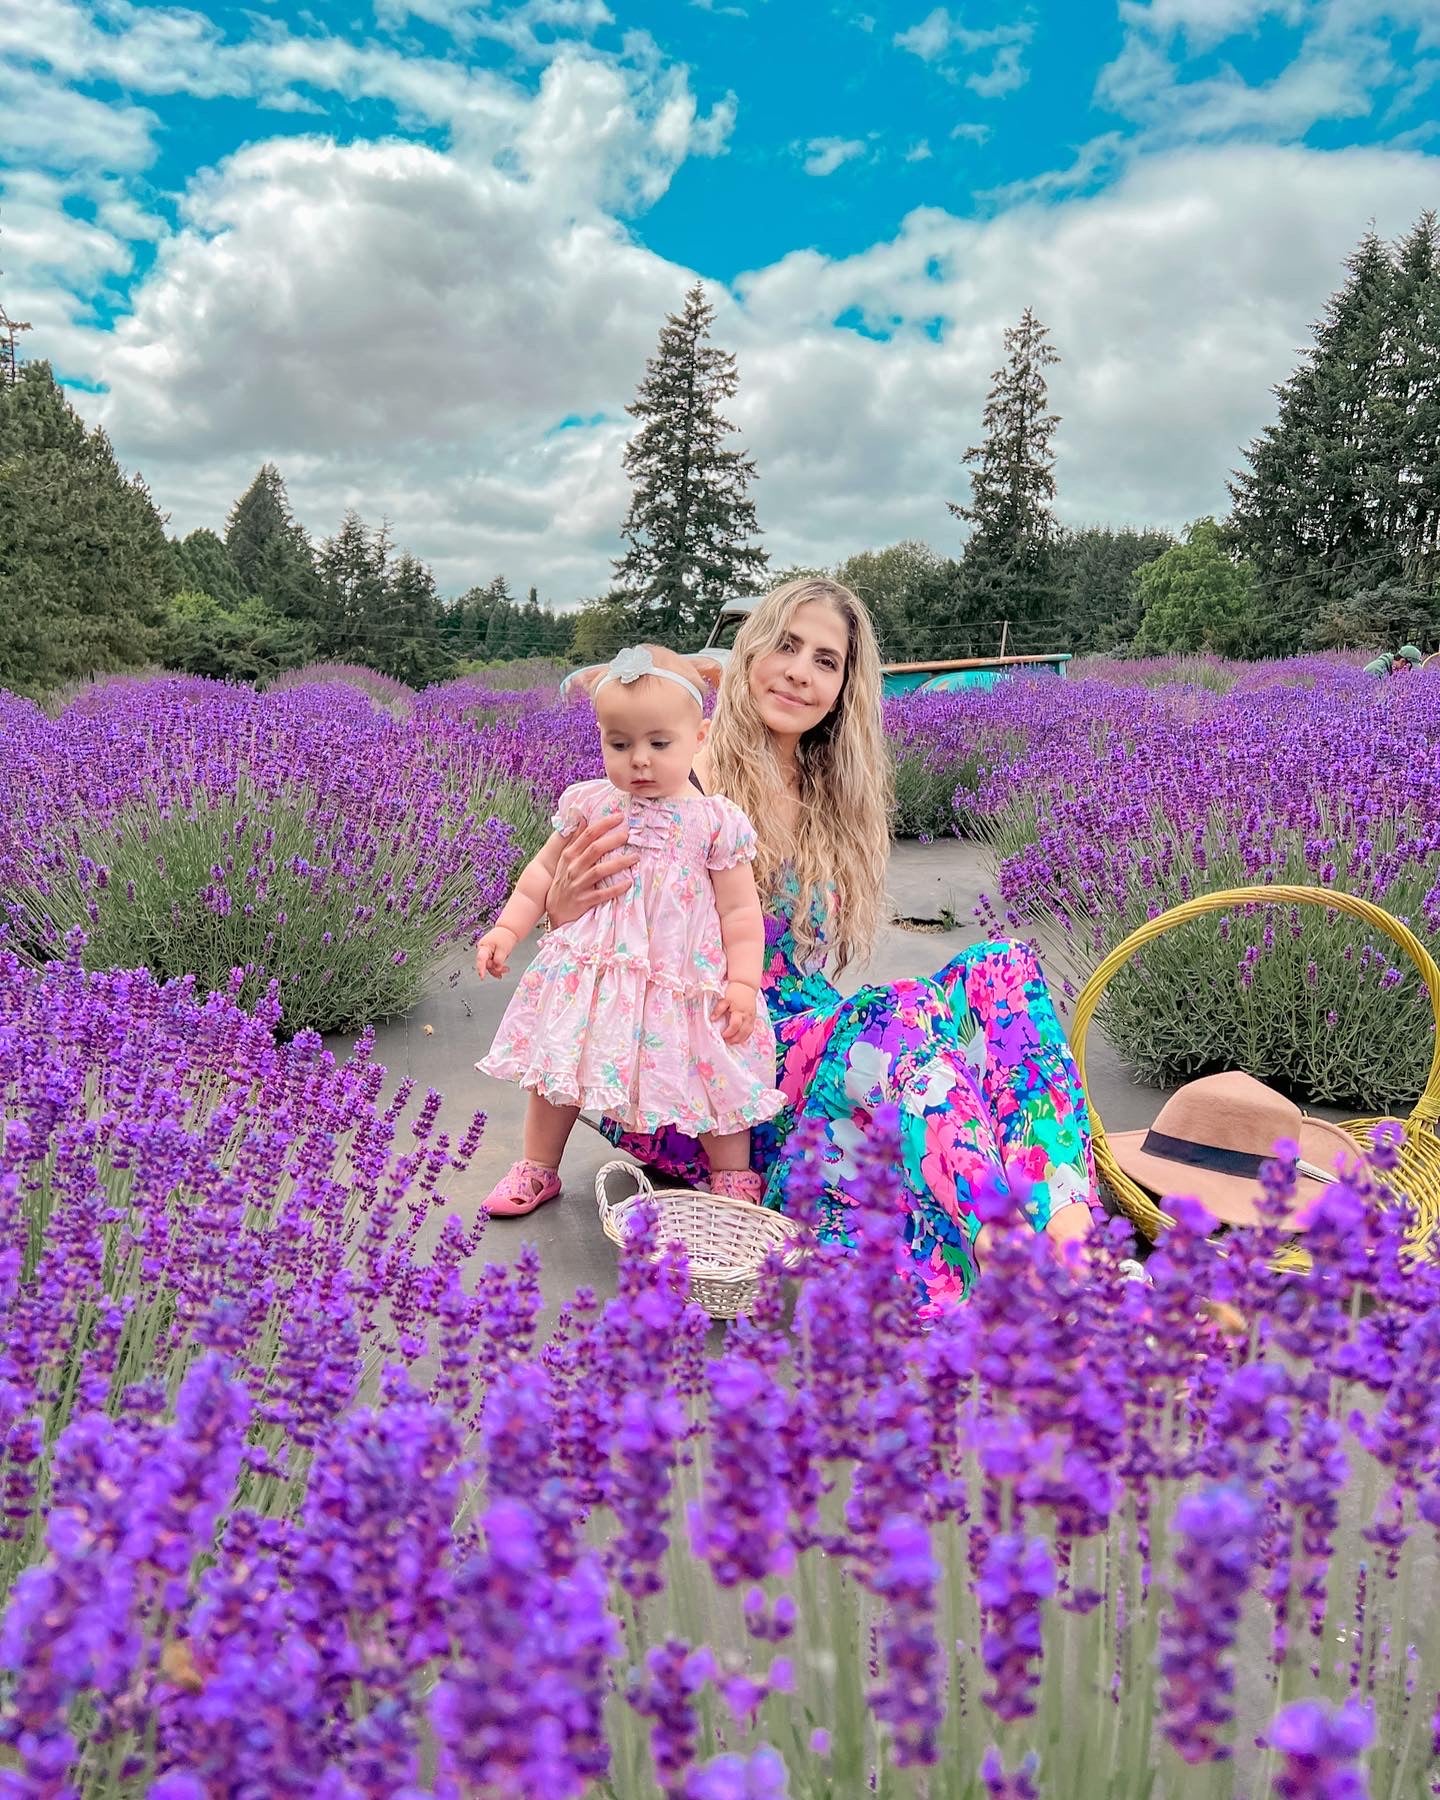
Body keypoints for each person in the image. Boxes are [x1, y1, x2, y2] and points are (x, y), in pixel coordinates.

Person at [543, 577, 1097, 1312]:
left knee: (1003, 965)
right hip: (714, 1067)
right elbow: (575, 919)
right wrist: (561, 903)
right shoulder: (679, 771)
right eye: (786, 645)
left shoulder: (831, 789)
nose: (801, 671)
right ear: (748, 653)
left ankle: (1071, 1231)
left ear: (844, 688)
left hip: (803, 1030)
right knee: (894, 1013)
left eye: (826, 660)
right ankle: (1005, 1247)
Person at [473, 643, 784, 1216]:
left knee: (714, 1070)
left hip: (685, 979)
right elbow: (541, 874)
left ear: (699, 737)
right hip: (595, 971)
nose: (639, 760)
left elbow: (740, 912)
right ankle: (538, 1165)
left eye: (659, 744)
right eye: (620, 744)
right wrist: (505, 931)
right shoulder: (591, 803)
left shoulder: (714, 820)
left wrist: (742, 983)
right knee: (561, 1066)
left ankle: (731, 1176)